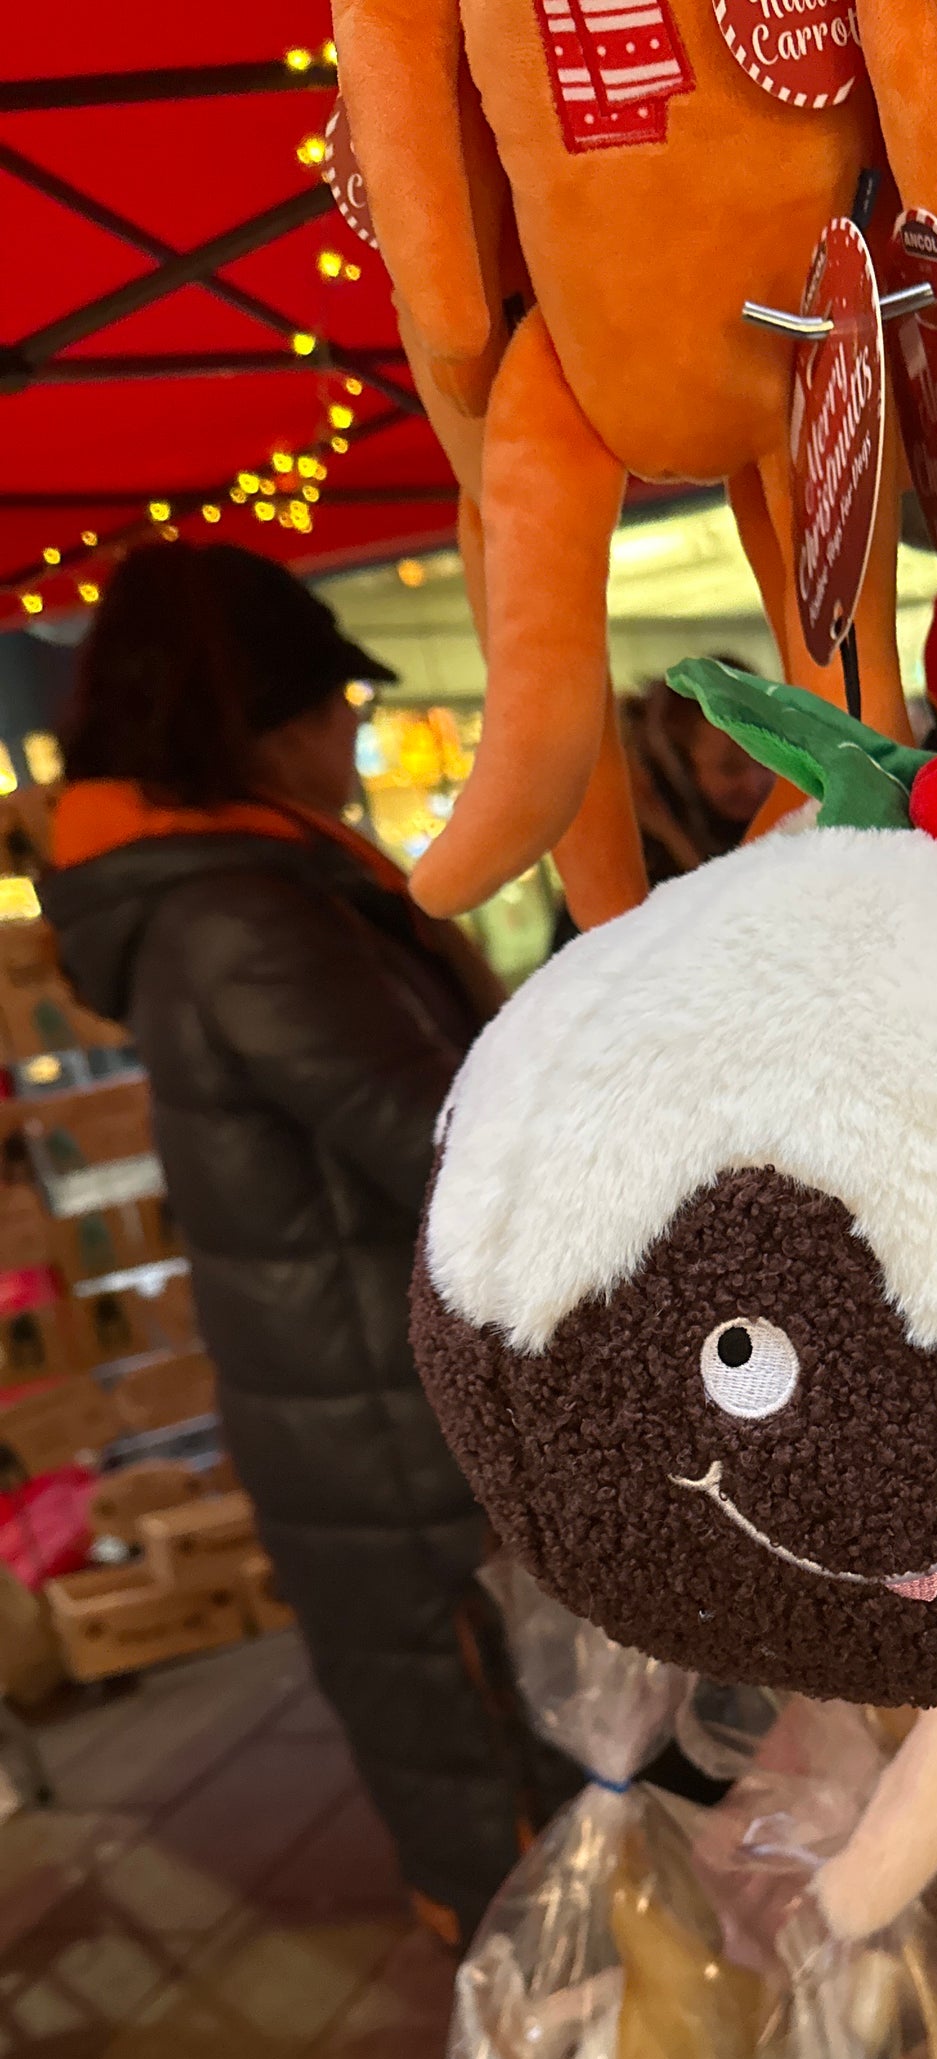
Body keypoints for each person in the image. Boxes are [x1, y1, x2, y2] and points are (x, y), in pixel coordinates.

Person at [43, 541, 556, 1943]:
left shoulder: (240, 894)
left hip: (370, 1414)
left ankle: (564, 2017)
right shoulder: (248, 916)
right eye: (339, 705)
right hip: (398, 1438)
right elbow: (439, 1144)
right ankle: (566, 2048)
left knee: (485, 1760)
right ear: (268, 721)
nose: (352, 734)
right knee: (510, 1788)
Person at [618, 662, 773, 882]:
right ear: (682, 771)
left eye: (767, 761)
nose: (753, 783)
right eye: (729, 768)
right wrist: (668, 831)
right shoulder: (639, 861)